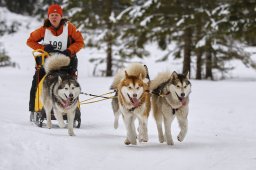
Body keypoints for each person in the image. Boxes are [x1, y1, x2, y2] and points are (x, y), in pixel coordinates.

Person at [26, 4, 84, 116]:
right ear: (48, 17)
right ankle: (34, 109)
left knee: (71, 85)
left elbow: (80, 42)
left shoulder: (70, 27)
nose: (54, 17)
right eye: (51, 15)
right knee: (36, 82)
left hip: (66, 62)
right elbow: (30, 41)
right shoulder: (43, 29)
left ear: (61, 17)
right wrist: (43, 48)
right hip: (47, 63)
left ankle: (73, 108)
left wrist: (69, 50)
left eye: (56, 15)